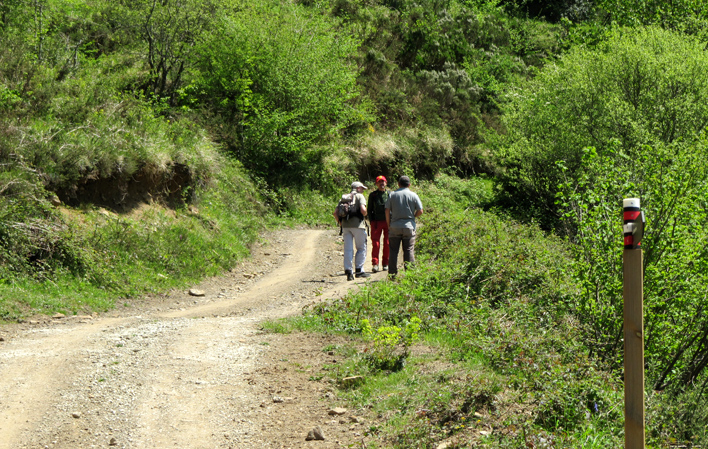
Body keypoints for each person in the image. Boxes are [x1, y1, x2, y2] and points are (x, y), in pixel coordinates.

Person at [385, 176, 423, 279]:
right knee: (409, 250)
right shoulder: (413, 195)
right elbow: (420, 211)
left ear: (398, 184)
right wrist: (412, 217)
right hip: (408, 227)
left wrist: (389, 224)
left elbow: (387, 210)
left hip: (394, 227)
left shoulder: (392, 195)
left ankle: (392, 275)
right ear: (409, 185)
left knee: (393, 251)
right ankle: (410, 275)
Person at [333, 181, 371, 281]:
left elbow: (335, 213)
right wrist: (366, 214)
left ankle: (349, 272)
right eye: (362, 188)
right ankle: (359, 270)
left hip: (346, 227)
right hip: (358, 226)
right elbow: (363, 210)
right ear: (358, 188)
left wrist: (341, 223)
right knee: (361, 248)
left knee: (348, 249)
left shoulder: (344, 197)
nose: (363, 190)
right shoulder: (359, 196)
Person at [367, 176, 389, 273]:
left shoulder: (390, 194)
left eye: (383, 182)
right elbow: (369, 209)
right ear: (376, 184)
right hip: (376, 222)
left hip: (388, 222)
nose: (381, 183)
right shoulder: (373, 195)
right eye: (379, 182)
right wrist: (372, 221)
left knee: (387, 243)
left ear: (386, 183)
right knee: (375, 244)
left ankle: (385, 263)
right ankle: (375, 264)